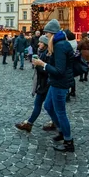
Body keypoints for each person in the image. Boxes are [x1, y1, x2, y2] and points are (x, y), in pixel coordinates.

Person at [32, 19, 75, 152]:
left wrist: (43, 64)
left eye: (48, 34)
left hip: (59, 83)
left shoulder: (60, 46)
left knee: (61, 112)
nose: (47, 36)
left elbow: (59, 70)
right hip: (55, 82)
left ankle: (68, 141)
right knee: (48, 106)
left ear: (53, 33)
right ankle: (61, 130)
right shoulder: (59, 44)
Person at [15, 35, 50, 132]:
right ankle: (30, 123)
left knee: (43, 105)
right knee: (47, 106)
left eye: (41, 42)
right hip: (42, 83)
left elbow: (47, 71)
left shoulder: (47, 54)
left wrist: (37, 65)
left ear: (46, 44)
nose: (38, 43)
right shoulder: (42, 53)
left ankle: (29, 124)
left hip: (44, 84)